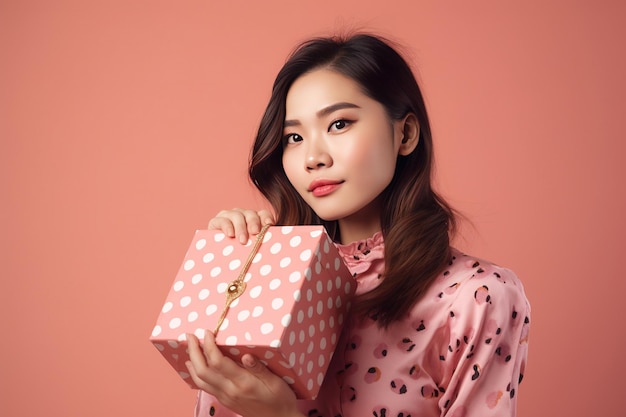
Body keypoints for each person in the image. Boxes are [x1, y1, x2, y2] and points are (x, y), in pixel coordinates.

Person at [184, 33, 530, 417]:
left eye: (339, 124)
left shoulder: (474, 297)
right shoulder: (266, 282)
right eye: (294, 137)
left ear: (406, 133)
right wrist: (233, 269)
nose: (313, 157)